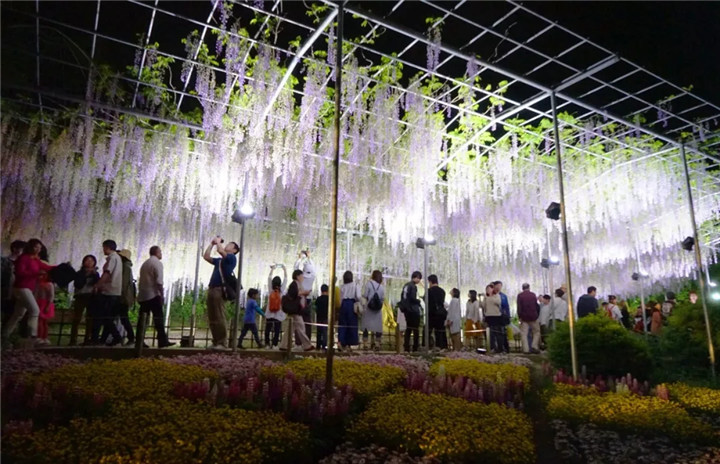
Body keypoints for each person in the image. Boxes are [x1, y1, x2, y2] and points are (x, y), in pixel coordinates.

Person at [2, 239, 55, 344]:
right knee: (35, 310)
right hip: (21, 287)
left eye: (39, 248)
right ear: (30, 247)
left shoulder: (35, 260)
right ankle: (32, 335)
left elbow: (46, 267)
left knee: (18, 314)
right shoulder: (24, 258)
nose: (38, 250)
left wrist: (61, 267)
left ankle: (4, 334)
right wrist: (36, 274)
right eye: (36, 247)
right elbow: (20, 272)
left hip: (28, 288)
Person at [203, 236, 239, 350]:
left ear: (234, 250)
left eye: (230, 244)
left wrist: (218, 242)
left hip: (220, 289)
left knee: (219, 315)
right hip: (212, 288)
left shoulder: (231, 258)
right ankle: (216, 341)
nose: (227, 245)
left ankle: (222, 342)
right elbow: (206, 256)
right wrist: (211, 244)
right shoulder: (220, 261)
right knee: (212, 316)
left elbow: (220, 250)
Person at [136, 246, 174, 348]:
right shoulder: (157, 263)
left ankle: (139, 341)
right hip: (153, 294)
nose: (161, 254)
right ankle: (162, 341)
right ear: (156, 253)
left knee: (142, 319)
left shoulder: (145, 263)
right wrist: (161, 294)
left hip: (143, 295)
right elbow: (159, 281)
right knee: (158, 319)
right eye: (160, 252)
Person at [93, 240, 124, 346]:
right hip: (115, 291)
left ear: (107, 247)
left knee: (105, 317)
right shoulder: (117, 258)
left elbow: (107, 273)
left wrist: (97, 285)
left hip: (109, 291)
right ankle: (107, 339)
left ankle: (116, 337)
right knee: (108, 317)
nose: (103, 250)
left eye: (104, 247)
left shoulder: (112, 258)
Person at [70, 255, 100, 345]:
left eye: (92, 261)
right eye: (87, 260)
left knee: (89, 319)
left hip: (91, 297)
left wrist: (94, 274)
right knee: (77, 318)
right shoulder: (79, 273)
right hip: (80, 296)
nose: (89, 262)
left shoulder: (96, 274)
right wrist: (86, 275)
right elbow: (78, 285)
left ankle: (87, 339)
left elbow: (97, 283)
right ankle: (73, 339)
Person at [282, 269, 314, 351]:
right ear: (297, 276)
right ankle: (307, 345)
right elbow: (293, 294)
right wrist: (304, 293)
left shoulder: (297, 284)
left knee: (290, 328)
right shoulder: (294, 284)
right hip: (295, 309)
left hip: (296, 309)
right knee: (301, 327)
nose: (303, 277)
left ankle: (284, 345)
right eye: (301, 275)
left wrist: (304, 293)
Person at [1, 240, 26, 325]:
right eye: (22, 249)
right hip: (6, 290)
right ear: (15, 249)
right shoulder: (4, 261)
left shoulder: (23, 262)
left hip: (17, 290)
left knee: (12, 312)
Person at [361, 270, 385, 351]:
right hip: (377, 310)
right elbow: (382, 298)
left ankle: (365, 344)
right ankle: (377, 344)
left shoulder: (369, 284)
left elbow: (365, 295)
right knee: (377, 327)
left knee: (366, 326)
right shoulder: (381, 287)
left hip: (369, 308)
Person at [338, 271, 362, 352]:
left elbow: (340, 298)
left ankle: (341, 342)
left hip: (344, 304)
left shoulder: (342, 286)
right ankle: (349, 344)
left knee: (342, 324)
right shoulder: (355, 285)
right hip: (352, 305)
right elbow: (358, 296)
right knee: (351, 325)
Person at [117, 249, 136, 345]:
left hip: (123, 296)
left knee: (122, 317)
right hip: (124, 296)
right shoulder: (126, 266)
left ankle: (130, 337)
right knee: (118, 317)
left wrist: (121, 295)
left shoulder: (125, 267)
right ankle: (115, 338)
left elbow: (124, 283)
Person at [400, 271, 422, 352]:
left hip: (406, 309)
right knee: (415, 329)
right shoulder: (413, 286)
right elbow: (412, 298)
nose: (419, 280)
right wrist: (418, 301)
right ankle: (415, 347)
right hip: (413, 310)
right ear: (415, 277)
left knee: (408, 329)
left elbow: (403, 297)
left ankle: (406, 347)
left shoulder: (406, 285)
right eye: (419, 278)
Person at [517, 283, 540, 354]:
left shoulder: (520, 295)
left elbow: (519, 307)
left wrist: (520, 317)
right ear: (529, 288)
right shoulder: (533, 295)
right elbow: (536, 306)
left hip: (524, 317)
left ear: (522, 288)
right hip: (533, 317)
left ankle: (526, 349)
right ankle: (534, 346)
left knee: (524, 334)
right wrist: (537, 315)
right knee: (536, 332)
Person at [427, 275, 447, 350]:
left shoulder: (429, 291)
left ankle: (427, 346)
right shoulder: (442, 291)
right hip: (441, 314)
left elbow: (427, 302)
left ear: (430, 282)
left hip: (432, 313)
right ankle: (442, 346)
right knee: (440, 331)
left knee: (427, 330)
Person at [265, 275, 285, 350]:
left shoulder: (270, 290)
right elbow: (285, 280)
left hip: (269, 313)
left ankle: (267, 344)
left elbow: (269, 279)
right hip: (278, 314)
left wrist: (272, 270)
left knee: (268, 329)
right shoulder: (281, 291)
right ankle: (275, 344)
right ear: (280, 283)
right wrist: (284, 269)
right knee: (277, 330)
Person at [483, 284, 503, 353]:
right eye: (487, 289)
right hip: (488, 316)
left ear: (492, 289)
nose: (488, 290)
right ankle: (491, 347)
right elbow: (483, 306)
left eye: (489, 289)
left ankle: (500, 348)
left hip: (496, 316)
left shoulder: (497, 296)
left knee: (497, 333)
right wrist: (482, 300)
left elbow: (498, 302)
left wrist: (491, 296)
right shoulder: (486, 297)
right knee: (490, 333)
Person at [494, 281, 511, 353]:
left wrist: (508, 316)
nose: (498, 287)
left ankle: (505, 348)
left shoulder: (503, 296)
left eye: (500, 286)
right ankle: (498, 347)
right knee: (496, 332)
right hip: (494, 316)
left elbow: (507, 306)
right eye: (497, 285)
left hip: (502, 316)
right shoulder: (492, 295)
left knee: (503, 332)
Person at [315, 284, 329, 350]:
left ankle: (318, 346)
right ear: (327, 290)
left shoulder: (318, 299)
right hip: (326, 317)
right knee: (325, 332)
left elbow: (316, 307)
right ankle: (324, 346)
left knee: (319, 332)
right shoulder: (329, 299)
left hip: (319, 317)